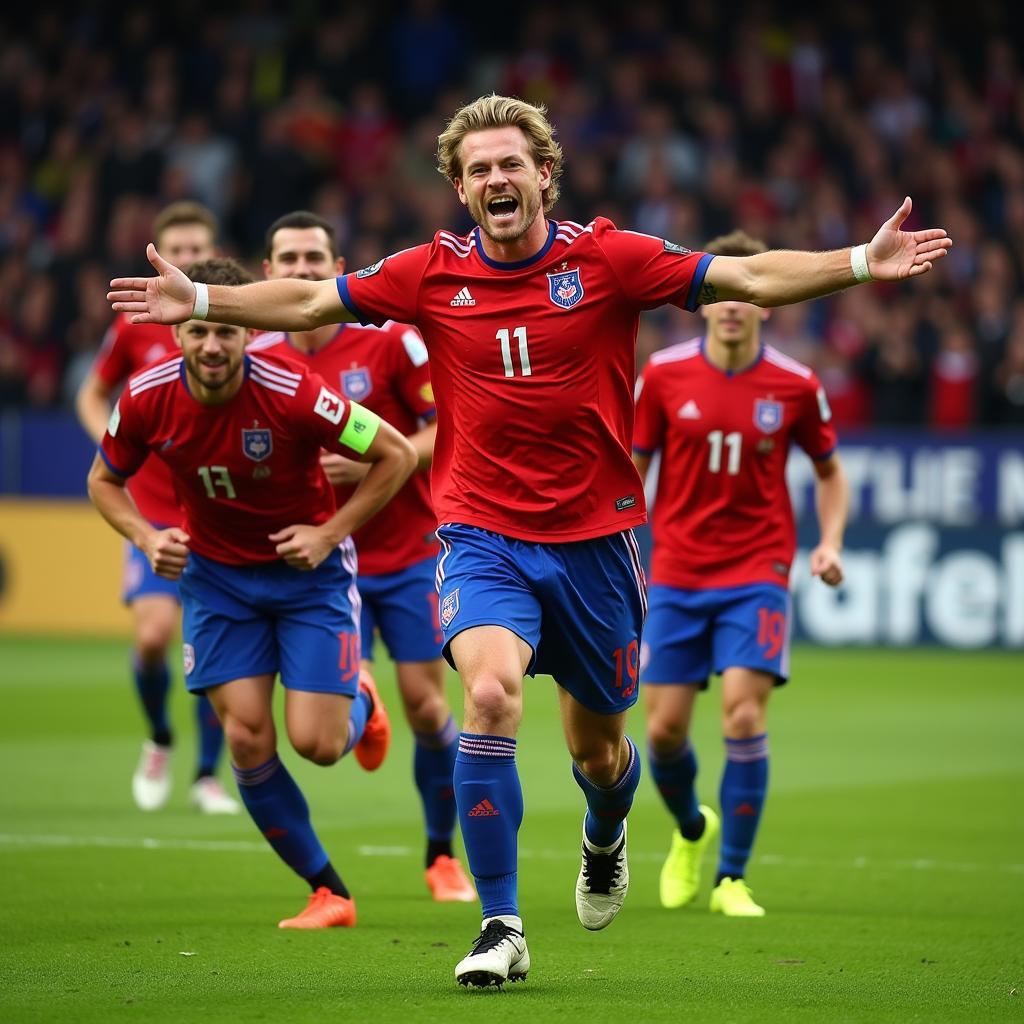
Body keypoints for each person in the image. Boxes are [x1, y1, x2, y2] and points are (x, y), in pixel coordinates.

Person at [106, 95, 951, 987]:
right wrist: (202, 296)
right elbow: (315, 296)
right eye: (477, 170)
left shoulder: (609, 259)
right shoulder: (430, 271)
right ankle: (500, 922)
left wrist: (861, 261)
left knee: (601, 755)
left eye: (510, 164)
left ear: (545, 173)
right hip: (479, 533)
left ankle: (606, 830)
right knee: (491, 697)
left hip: (597, 544)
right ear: (461, 190)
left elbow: (747, 280)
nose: (495, 180)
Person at [90, 257, 417, 928]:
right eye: (198, 333)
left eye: (225, 332)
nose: (212, 346)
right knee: (245, 739)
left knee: (319, 745)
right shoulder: (146, 398)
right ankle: (328, 891)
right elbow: (103, 480)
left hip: (308, 578)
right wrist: (149, 541)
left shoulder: (297, 391)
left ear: (245, 333)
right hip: (217, 583)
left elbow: (397, 454)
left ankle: (360, 696)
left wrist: (330, 534)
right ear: (176, 334)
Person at [252, 210, 475, 903]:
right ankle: (362, 700)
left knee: (428, 707)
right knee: (321, 729)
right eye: (287, 259)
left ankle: (441, 856)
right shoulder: (255, 357)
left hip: (406, 553)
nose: (301, 271)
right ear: (267, 273)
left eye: (315, 258)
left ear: (338, 268)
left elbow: (451, 424)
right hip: (317, 565)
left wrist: (389, 459)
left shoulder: (390, 345)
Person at [633, 229, 849, 919]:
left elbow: (829, 473)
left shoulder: (795, 384)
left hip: (757, 570)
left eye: (742, 297)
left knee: (744, 712)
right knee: (663, 731)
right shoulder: (662, 377)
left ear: (763, 304)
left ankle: (731, 879)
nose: (730, 307)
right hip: (674, 572)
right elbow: (633, 474)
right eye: (717, 295)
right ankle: (694, 830)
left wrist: (830, 541)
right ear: (703, 304)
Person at [76, 201, 237, 815]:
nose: (190, 258)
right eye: (180, 248)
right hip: (156, 504)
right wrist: (115, 441)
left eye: (199, 248)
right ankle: (160, 738)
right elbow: (92, 393)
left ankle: (205, 776)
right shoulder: (136, 324)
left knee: (215, 643)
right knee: (152, 637)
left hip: (222, 504)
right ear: (160, 253)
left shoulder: (233, 317)